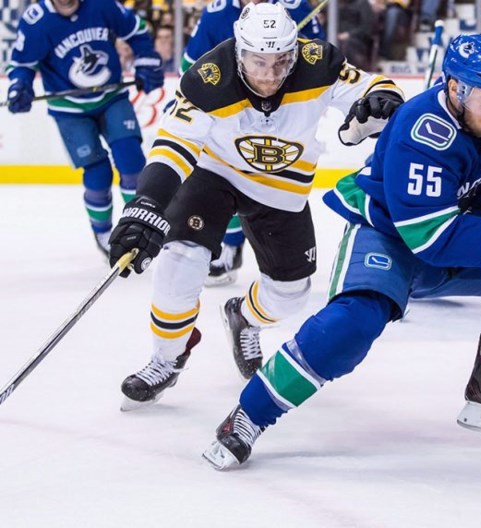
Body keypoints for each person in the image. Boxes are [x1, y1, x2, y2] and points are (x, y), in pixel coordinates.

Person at [201, 33, 481, 470]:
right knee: (354, 322)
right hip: (389, 235)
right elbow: (429, 237)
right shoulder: (420, 130)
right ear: (454, 87)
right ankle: (247, 417)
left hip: (456, 232)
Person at [108, 2, 403, 410]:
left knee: (291, 295)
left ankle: (244, 316)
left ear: (295, 52)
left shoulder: (319, 62)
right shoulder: (208, 78)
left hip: (281, 187)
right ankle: (166, 358)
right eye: (258, 61)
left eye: (280, 61)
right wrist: (146, 204)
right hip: (216, 174)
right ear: (238, 51)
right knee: (179, 262)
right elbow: (173, 146)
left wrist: (382, 99)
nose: (269, 74)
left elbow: (373, 86)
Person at [181, 0, 327, 286]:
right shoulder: (217, 13)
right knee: (229, 176)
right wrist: (183, 104)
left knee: (274, 186)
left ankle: (278, 264)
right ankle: (232, 247)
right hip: (230, 110)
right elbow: (191, 65)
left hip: (283, 113)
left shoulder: (294, 7)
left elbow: (318, 59)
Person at [5, 0, 164, 257]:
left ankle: (140, 224)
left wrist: (145, 60)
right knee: (98, 173)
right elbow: (22, 64)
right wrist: (19, 87)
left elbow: (136, 29)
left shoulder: (100, 4)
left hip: (111, 96)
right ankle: (103, 231)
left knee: (132, 161)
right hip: (69, 109)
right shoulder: (36, 21)